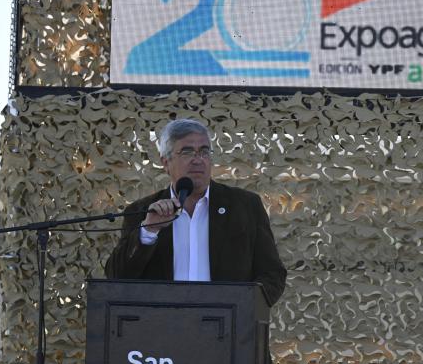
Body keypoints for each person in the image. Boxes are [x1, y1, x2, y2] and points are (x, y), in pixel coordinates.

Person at [105, 118, 287, 306]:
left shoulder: (245, 206)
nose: (198, 160)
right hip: (161, 321)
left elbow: (272, 273)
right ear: (166, 162)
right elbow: (117, 278)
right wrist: (148, 231)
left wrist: (245, 307)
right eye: (187, 152)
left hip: (227, 321)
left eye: (204, 152)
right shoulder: (141, 211)